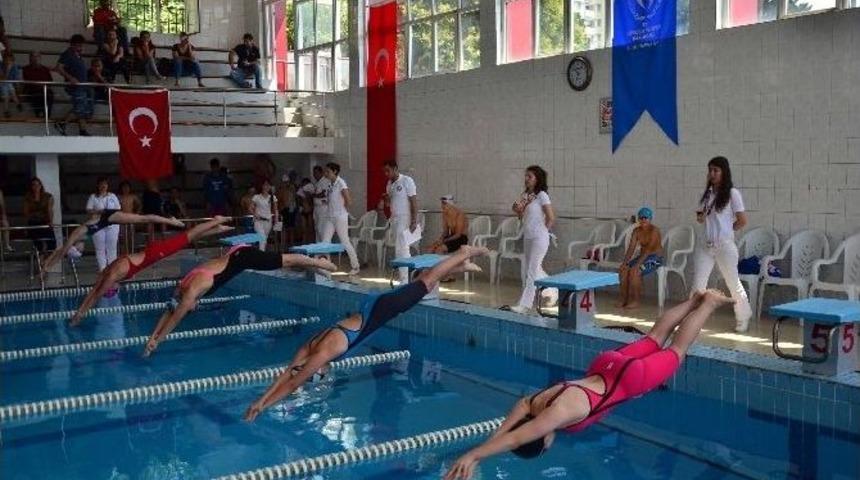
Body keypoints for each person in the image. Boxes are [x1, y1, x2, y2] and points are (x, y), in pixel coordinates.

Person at [444, 289, 735, 480]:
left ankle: (708, 303)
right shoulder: (534, 402)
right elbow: (512, 429)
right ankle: (694, 300)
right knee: (656, 335)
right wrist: (482, 448)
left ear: (544, 439)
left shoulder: (555, 417)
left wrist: (473, 455)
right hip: (605, 364)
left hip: (628, 379)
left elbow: (518, 438)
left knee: (677, 349)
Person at [243, 245, 488, 422]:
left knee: (426, 282)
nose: (322, 372)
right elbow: (288, 373)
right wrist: (260, 402)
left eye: (317, 374)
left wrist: (266, 405)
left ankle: (462, 253)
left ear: (317, 370)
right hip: (371, 306)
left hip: (380, 311)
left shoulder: (322, 354)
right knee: (423, 281)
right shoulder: (309, 347)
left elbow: (293, 381)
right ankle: (459, 265)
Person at [143, 247, 337, 356]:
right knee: (285, 262)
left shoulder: (193, 289)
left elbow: (176, 317)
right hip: (235, 253)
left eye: (190, 308)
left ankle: (318, 262)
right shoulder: (184, 285)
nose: (193, 307)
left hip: (244, 257)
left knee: (285, 261)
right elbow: (170, 310)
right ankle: (314, 265)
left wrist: (158, 341)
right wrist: (153, 337)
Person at [69, 216, 234, 326]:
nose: (115, 290)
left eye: (112, 290)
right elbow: (94, 291)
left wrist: (80, 315)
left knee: (188, 236)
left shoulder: (112, 275)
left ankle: (216, 221)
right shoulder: (108, 271)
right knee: (185, 240)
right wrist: (80, 312)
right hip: (152, 252)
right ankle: (216, 229)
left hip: (154, 253)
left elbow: (97, 294)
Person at [692, 156, 752, 332]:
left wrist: (727, 231)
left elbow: (742, 221)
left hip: (724, 245)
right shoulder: (707, 194)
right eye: (710, 170)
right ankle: (692, 318)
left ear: (724, 172)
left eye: (716, 170)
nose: (712, 174)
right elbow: (702, 219)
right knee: (698, 284)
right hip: (705, 245)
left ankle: (743, 316)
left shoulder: (733, 194)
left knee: (732, 282)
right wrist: (701, 218)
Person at [41, 210, 184, 274]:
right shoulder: (81, 238)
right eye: (81, 252)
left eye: (79, 250)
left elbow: (61, 252)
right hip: (107, 220)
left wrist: (48, 265)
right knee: (143, 219)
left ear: (74, 247)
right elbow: (59, 250)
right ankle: (169, 220)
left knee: (143, 218)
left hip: (108, 216)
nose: (82, 250)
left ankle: (170, 220)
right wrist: (47, 265)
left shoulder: (76, 235)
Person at [504, 166, 556, 314]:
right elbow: (523, 218)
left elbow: (551, 217)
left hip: (540, 238)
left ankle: (524, 305)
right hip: (528, 237)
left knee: (532, 272)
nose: (526, 179)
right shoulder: (526, 195)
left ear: (537, 179)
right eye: (525, 176)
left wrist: (543, 231)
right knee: (533, 269)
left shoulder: (542, 195)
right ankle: (552, 290)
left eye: (530, 177)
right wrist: (518, 211)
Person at [616, 207, 663, 310]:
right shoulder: (636, 231)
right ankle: (624, 299)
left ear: (650, 219)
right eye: (641, 218)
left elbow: (649, 250)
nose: (643, 220)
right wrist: (624, 263)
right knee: (623, 270)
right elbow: (631, 248)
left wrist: (637, 265)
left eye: (646, 218)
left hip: (655, 258)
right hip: (642, 257)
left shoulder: (654, 231)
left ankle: (636, 301)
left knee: (634, 271)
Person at [320, 162, 360, 275]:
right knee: (325, 241)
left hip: (340, 217)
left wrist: (343, 212)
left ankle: (355, 266)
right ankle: (326, 266)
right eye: (325, 171)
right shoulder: (330, 185)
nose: (326, 173)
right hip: (330, 216)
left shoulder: (341, 183)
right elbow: (332, 200)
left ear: (335, 171)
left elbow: (348, 200)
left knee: (345, 241)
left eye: (328, 171)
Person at [381, 161, 418, 283]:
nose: (386, 174)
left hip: (405, 217)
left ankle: (405, 279)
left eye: (388, 171)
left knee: (402, 247)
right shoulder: (389, 184)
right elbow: (388, 204)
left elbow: (413, 201)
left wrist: (414, 220)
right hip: (395, 218)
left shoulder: (407, 181)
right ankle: (407, 276)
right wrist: (386, 199)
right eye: (385, 171)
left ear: (395, 169)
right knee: (400, 248)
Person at [55, 34, 92, 136]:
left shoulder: (77, 55)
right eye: (79, 45)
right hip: (76, 86)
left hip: (81, 86)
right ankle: (62, 123)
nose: (81, 47)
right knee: (79, 107)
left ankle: (82, 130)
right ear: (74, 44)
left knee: (81, 107)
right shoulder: (68, 54)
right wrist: (70, 78)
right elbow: (59, 67)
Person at [86, 177, 121, 272]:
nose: (103, 186)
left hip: (112, 225)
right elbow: (88, 210)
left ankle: (112, 268)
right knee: (100, 247)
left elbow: (118, 209)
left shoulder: (112, 196)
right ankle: (103, 269)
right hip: (98, 224)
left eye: (105, 184)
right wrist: (99, 211)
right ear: (98, 186)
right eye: (101, 184)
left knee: (112, 247)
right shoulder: (93, 197)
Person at [22, 177, 56, 254]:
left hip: (45, 222)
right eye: (34, 185)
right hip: (33, 222)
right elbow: (26, 213)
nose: (36, 187)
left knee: (52, 244)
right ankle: (41, 261)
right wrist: (25, 226)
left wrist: (50, 221)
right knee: (39, 245)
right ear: (31, 186)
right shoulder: (28, 198)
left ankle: (46, 261)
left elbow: (49, 210)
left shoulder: (48, 196)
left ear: (41, 186)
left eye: (38, 185)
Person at [21, 52, 54, 119]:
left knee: (49, 94)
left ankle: (47, 115)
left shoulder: (45, 69)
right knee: (37, 94)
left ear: (40, 58)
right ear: (30, 58)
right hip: (32, 90)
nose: (35, 58)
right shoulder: (25, 69)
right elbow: (26, 82)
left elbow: (50, 82)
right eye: (33, 56)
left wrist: (45, 86)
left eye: (37, 56)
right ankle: (38, 114)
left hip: (44, 90)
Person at [251, 179, 278, 251]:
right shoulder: (256, 197)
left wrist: (276, 221)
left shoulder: (272, 197)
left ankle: (261, 255)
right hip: (258, 221)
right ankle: (262, 257)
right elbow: (250, 208)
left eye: (268, 185)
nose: (266, 187)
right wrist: (255, 214)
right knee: (262, 238)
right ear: (262, 186)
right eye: (265, 185)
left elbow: (275, 210)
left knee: (264, 239)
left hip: (268, 221)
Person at [277, 172, 299, 249]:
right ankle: (283, 245)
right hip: (284, 210)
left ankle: (292, 245)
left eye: (287, 182)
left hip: (291, 209)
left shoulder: (292, 188)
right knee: (284, 228)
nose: (286, 184)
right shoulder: (280, 190)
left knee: (291, 228)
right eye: (285, 182)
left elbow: (294, 198)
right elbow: (278, 200)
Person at [118, 181, 140, 254]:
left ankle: (131, 253)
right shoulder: (119, 197)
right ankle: (124, 254)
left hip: (131, 217)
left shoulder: (133, 196)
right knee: (122, 237)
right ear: (121, 188)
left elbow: (139, 205)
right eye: (124, 187)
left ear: (130, 188)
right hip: (122, 218)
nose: (125, 189)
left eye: (127, 187)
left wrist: (137, 213)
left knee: (131, 236)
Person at [309, 165, 330, 242]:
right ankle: (318, 250)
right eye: (314, 173)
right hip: (317, 208)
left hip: (323, 208)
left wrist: (312, 195)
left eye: (316, 173)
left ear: (321, 173)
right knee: (317, 228)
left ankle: (324, 250)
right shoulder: (318, 183)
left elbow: (324, 194)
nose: (315, 175)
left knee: (322, 229)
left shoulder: (325, 181)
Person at [0, 52, 21, 117]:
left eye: (10, 60)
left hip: (9, 85)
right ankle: (17, 103)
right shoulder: (0, 65)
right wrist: (8, 69)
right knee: (7, 86)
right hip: (1, 83)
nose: (8, 62)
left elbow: (16, 80)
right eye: (6, 60)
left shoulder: (14, 66)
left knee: (8, 89)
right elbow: (3, 78)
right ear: (3, 59)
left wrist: (18, 89)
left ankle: (6, 111)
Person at [297, 177, 314, 243]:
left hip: (309, 210)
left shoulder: (311, 191)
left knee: (310, 228)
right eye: (304, 183)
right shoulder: (300, 191)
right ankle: (304, 241)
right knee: (303, 228)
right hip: (303, 211)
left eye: (306, 183)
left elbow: (311, 200)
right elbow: (299, 200)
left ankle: (310, 241)